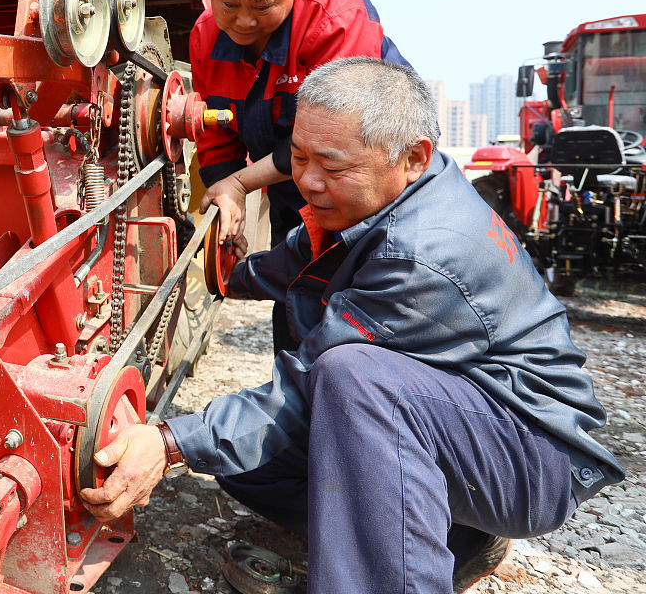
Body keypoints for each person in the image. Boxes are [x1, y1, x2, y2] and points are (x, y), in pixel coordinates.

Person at [80, 58, 623, 594]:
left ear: (412, 157)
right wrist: (209, 271)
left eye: (333, 168)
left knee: (351, 377)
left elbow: (305, 385)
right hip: (460, 414)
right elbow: (299, 262)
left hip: (526, 451)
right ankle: (453, 542)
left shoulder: (421, 255)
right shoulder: (390, 193)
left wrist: (169, 442)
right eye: (297, 157)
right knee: (244, 462)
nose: (309, 182)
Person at [191, 0, 409, 353]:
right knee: (296, 291)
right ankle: (296, 398)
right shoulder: (205, 35)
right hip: (293, 182)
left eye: (261, 5)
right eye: (229, 3)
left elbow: (333, 137)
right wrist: (227, 198)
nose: (244, 20)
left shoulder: (334, 13)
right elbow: (216, 127)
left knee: (363, 288)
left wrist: (240, 183)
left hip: (365, 180)